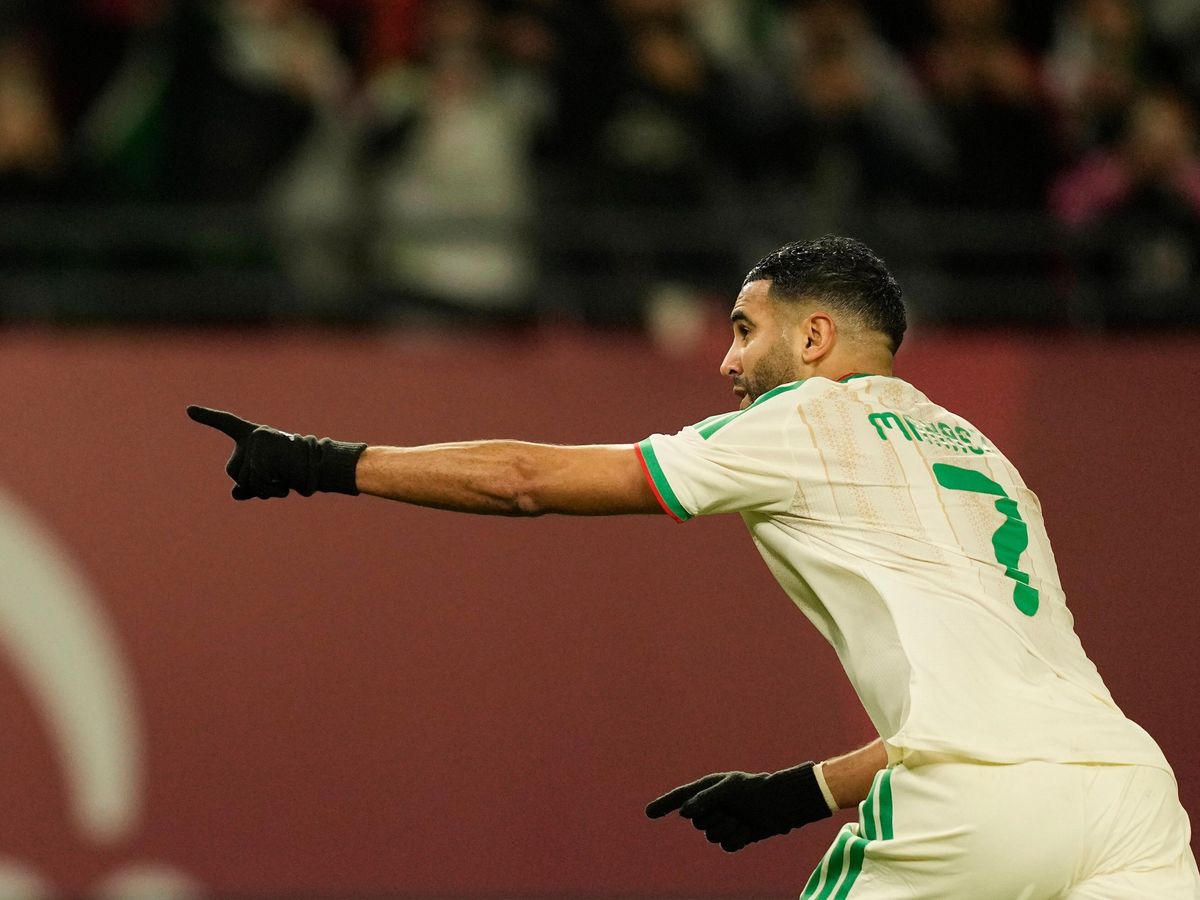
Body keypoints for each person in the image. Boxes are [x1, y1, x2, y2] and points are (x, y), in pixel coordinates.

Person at [188, 236, 1199, 898]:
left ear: (815, 336)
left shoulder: (803, 421)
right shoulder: (984, 457)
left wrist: (318, 463)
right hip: (1132, 797)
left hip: (976, 808)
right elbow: (1001, 713)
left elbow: (526, 481)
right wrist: (804, 791)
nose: (727, 362)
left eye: (745, 331)